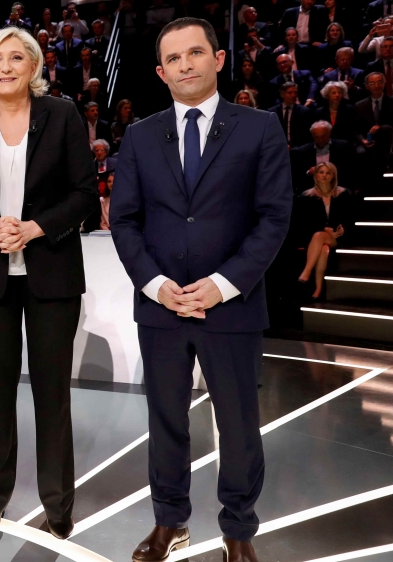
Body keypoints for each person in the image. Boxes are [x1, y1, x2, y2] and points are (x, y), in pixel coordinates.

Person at [110, 18, 292, 562]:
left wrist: (222, 285)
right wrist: (156, 285)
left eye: (195, 53)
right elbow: (125, 221)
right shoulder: (140, 135)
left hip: (232, 307)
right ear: (160, 72)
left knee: (238, 424)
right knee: (166, 420)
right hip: (161, 307)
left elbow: (274, 217)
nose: (185, 64)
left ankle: (238, 530)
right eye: (174, 58)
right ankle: (170, 523)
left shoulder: (259, 128)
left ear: (218, 59)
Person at [0, 26, 97, 540]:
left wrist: (36, 228)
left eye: (15, 58)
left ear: (33, 66)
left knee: (52, 395)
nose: (4, 67)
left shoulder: (63, 115)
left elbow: (83, 193)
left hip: (51, 272)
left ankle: (57, 502)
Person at [297, 162, 353, 298]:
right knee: (324, 248)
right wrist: (325, 229)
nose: (324, 175)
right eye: (321, 172)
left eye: (328, 173)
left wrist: (342, 229)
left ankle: (307, 271)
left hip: (337, 237)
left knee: (320, 237)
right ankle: (318, 289)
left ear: (333, 175)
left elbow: (349, 217)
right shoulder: (307, 196)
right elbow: (305, 223)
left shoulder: (343, 193)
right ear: (316, 175)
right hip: (315, 238)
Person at [290, 120, 355, 191]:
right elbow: (298, 176)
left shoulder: (343, 147)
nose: (320, 140)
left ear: (329, 133)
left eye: (323, 136)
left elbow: (349, 171)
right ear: (312, 135)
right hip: (313, 190)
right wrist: (309, 172)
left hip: (337, 188)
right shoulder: (303, 151)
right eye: (316, 137)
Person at [269, 83, 314, 147]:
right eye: (290, 93)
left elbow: (304, 133)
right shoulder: (272, 112)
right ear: (282, 94)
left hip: (298, 147)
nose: (293, 95)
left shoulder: (304, 112)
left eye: (295, 92)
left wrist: (291, 145)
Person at [356, 72, 393, 137]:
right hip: (367, 139)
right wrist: (363, 140)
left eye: (379, 82)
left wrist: (381, 128)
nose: (376, 86)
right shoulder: (359, 106)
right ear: (367, 86)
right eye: (372, 83)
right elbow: (356, 129)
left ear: (384, 83)